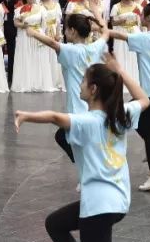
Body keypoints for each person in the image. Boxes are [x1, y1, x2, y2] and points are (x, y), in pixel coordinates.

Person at [14, 56, 148, 242]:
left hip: (99, 206)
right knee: (55, 223)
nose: (80, 85)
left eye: (84, 81)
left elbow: (55, 118)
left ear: (95, 89)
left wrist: (25, 115)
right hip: (116, 201)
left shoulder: (89, 121)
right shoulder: (120, 115)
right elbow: (145, 99)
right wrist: (121, 72)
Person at [27, 14, 109, 165]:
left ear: (73, 31)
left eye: (66, 29)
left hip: (78, 108)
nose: (65, 33)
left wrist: (33, 33)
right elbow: (106, 33)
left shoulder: (71, 51)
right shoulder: (95, 47)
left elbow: (52, 43)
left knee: (67, 140)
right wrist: (100, 23)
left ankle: (88, 172)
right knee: (71, 139)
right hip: (95, 106)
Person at [108, 4, 150, 192]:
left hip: (149, 94)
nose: (140, 17)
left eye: (143, 15)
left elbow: (120, 35)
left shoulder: (145, 38)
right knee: (145, 129)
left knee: (126, 116)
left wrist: (100, 29)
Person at [11, 0, 53, 93]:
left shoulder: (41, 9)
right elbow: (16, 23)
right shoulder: (19, 9)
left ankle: (39, 83)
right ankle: (26, 84)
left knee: (38, 58)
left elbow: (45, 24)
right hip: (24, 36)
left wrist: (43, 35)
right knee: (26, 58)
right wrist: (23, 25)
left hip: (38, 35)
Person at [109, 0, 142, 83]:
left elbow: (142, 22)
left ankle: (134, 80)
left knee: (133, 56)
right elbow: (112, 22)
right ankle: (121, 80)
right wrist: (120, 21)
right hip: (120, 33)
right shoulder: (116, 6)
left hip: (134, 33)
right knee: (120, 56)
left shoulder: (138, 6)